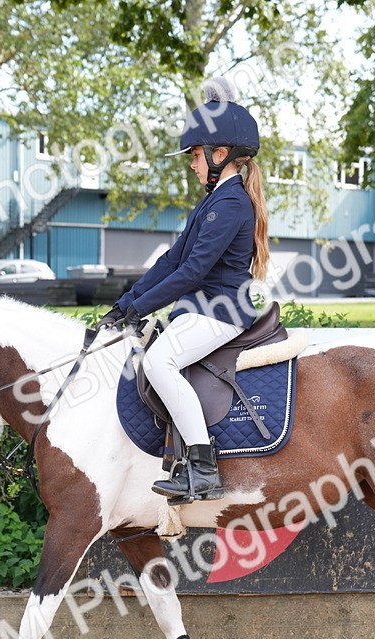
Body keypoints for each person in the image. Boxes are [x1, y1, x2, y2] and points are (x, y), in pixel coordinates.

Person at [97, 84, 270, 504]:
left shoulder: (230, 205)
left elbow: (193, 272)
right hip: (203, 308)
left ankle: (204, 467)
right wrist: (124, 305)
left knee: (160, 362)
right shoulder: (212, 202)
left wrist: (140, 307)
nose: (191, 165)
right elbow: (172, 261)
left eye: (194, 156)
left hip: (223, 310)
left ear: (219, 155)